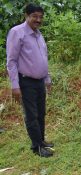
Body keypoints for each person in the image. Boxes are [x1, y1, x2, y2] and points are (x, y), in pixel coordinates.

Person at [6, 3, 53, 157]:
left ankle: (42, 141)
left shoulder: (39, 34)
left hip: (39, 81)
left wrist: (47, 79)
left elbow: (43, 58)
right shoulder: (17, 32)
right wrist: (15, 85)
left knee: (40, 113)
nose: (38, 20)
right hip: (26, 82)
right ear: (26, 16)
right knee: (31, 115)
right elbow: (11, 61)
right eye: (34, 16)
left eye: (40, 17)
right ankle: (37, 147)